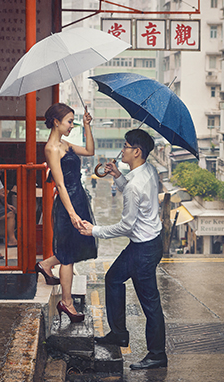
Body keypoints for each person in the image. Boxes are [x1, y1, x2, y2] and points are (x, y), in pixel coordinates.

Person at [79, 129, 167, 370]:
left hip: (143, 250)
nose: (122, 150)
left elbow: (126, 226)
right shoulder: (147, 170)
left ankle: (157, 354)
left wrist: (94, 230)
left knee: (150, 304)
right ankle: (118, 333)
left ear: (137, 151)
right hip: (147, 243)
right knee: (113, 279)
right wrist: (117, 176)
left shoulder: (135, 185)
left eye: (126, 146)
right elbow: (131, 189)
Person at [35, 103, 98, 324]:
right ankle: (66, 303)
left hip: (77, 197)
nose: (72, 125)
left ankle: (44, 265)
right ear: (56, 122)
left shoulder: (65, 144)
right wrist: (72, 214)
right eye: (69, 121)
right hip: (66, 204)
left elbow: (90, 152)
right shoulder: (52, 148)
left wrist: (88, 126)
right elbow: (59, 185)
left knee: (73, 248)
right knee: (68, 256)